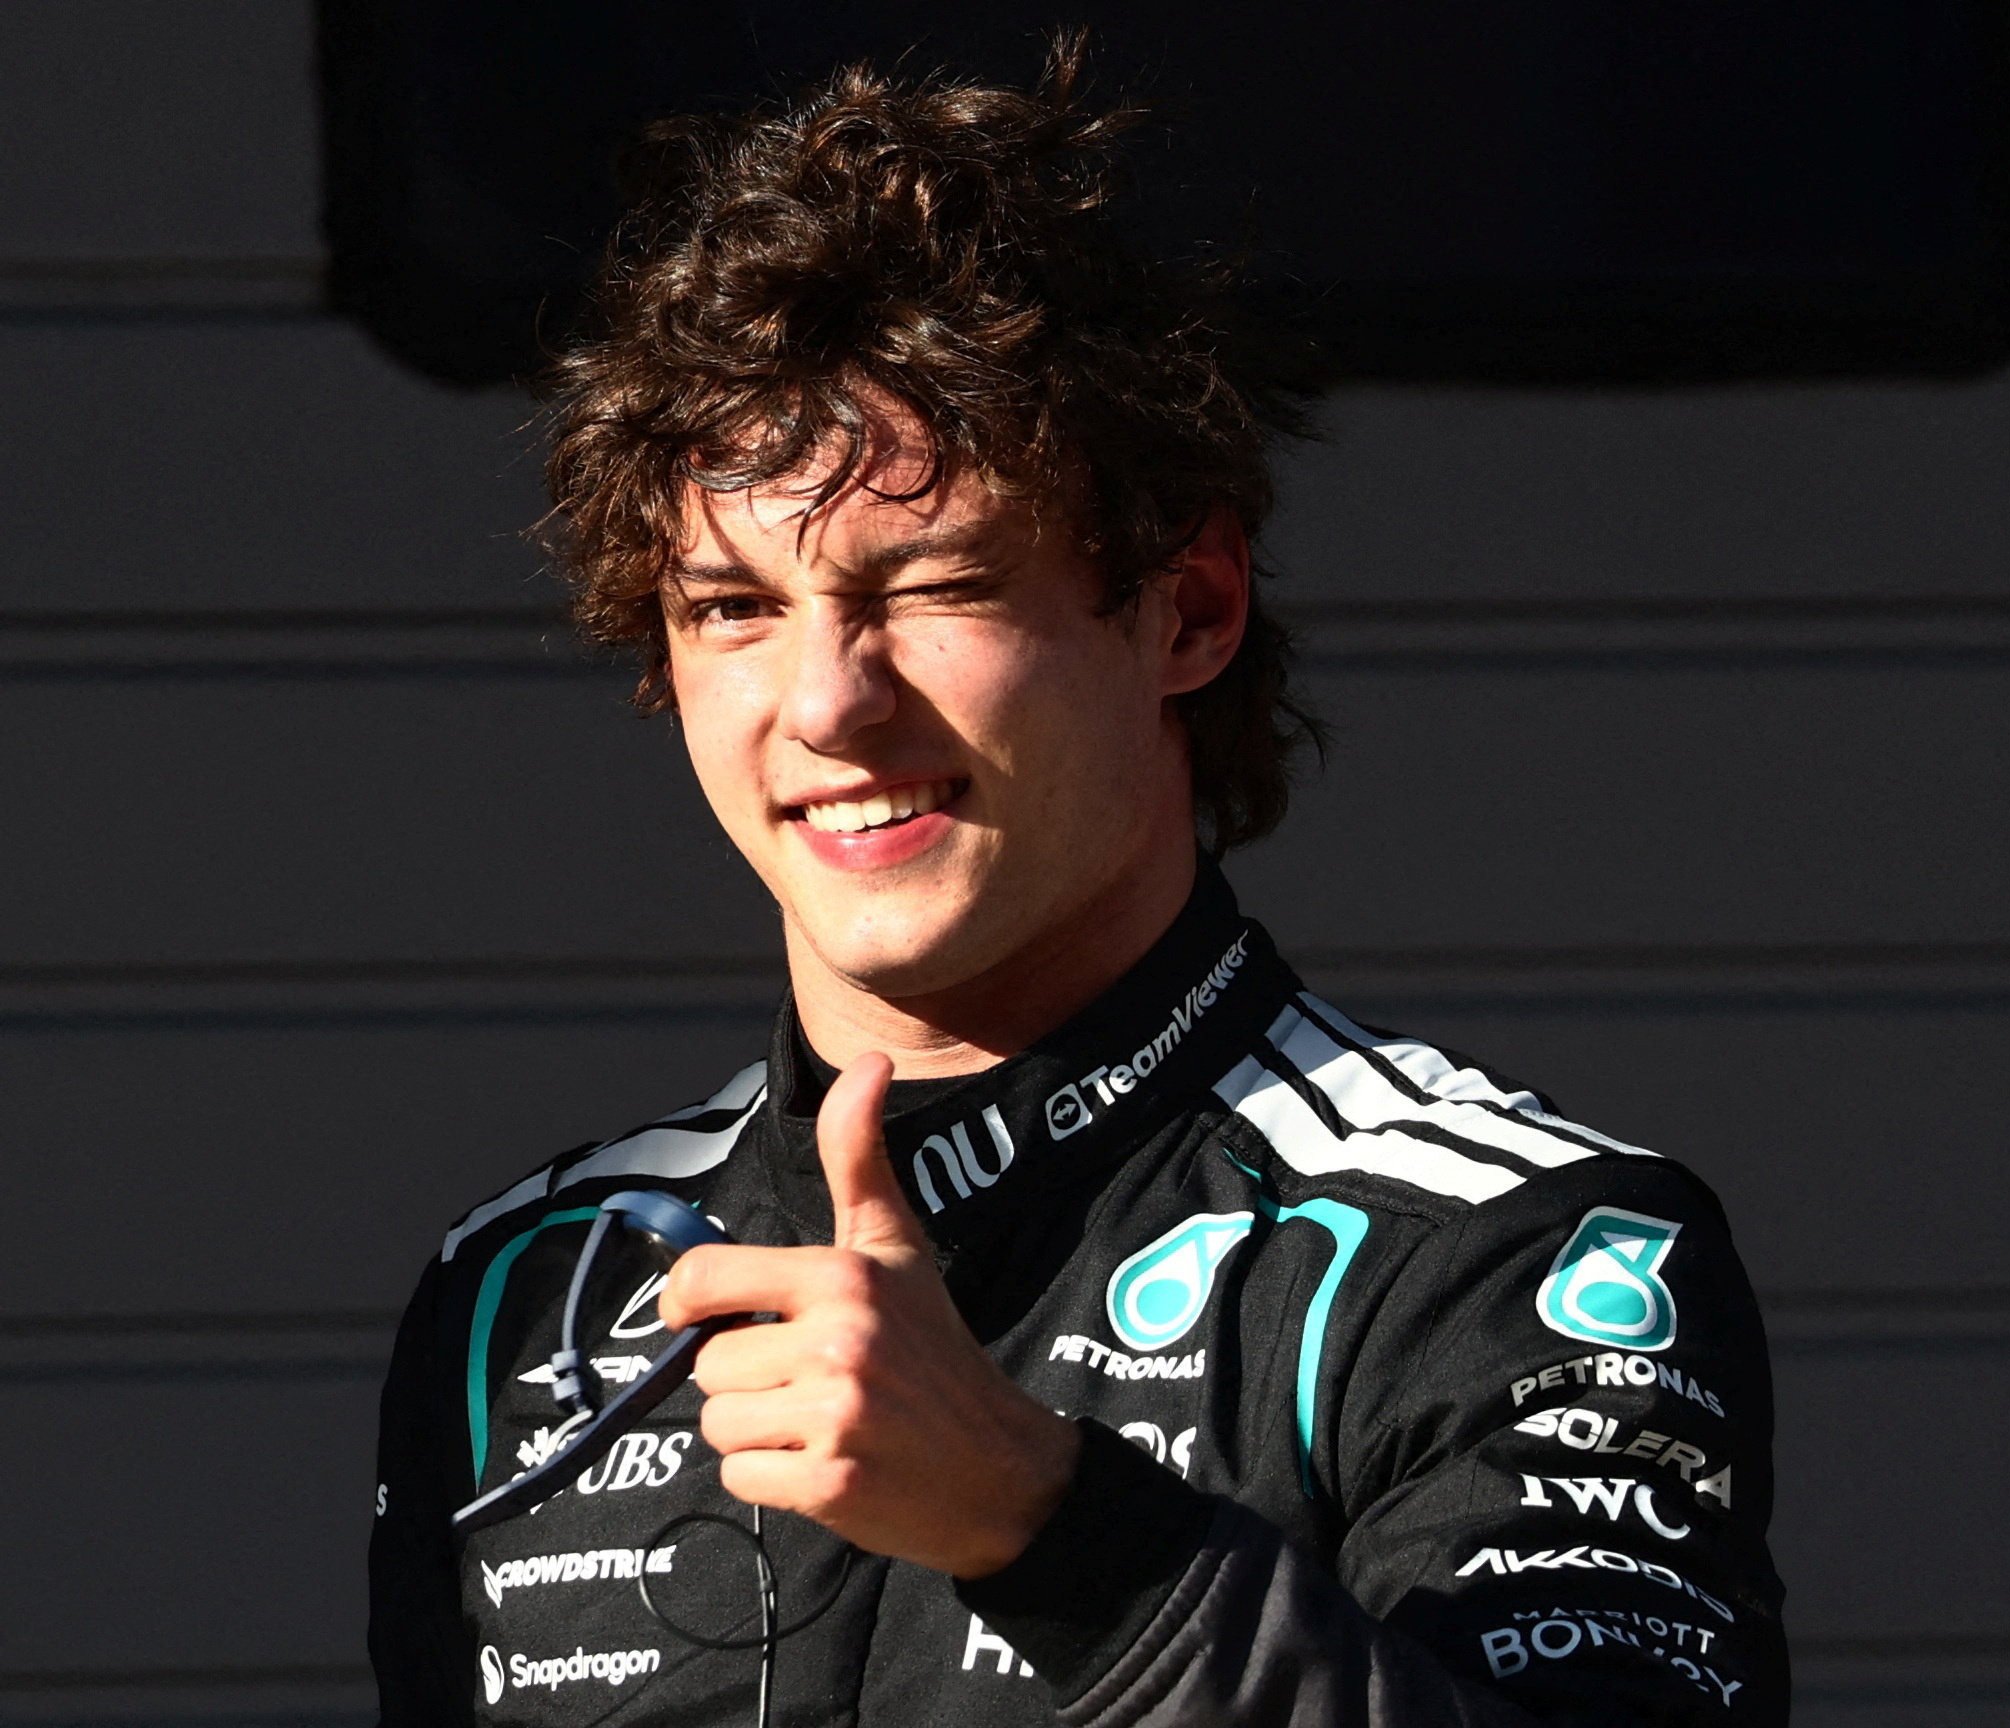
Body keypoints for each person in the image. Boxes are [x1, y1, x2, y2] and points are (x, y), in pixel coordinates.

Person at [368, 39, 1789, 1727]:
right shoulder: (530, 1299)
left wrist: (1047, 1531)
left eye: (943, 583)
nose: (827, 706)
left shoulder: (1500, 1253)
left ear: (1187, 610)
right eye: (735, 610)